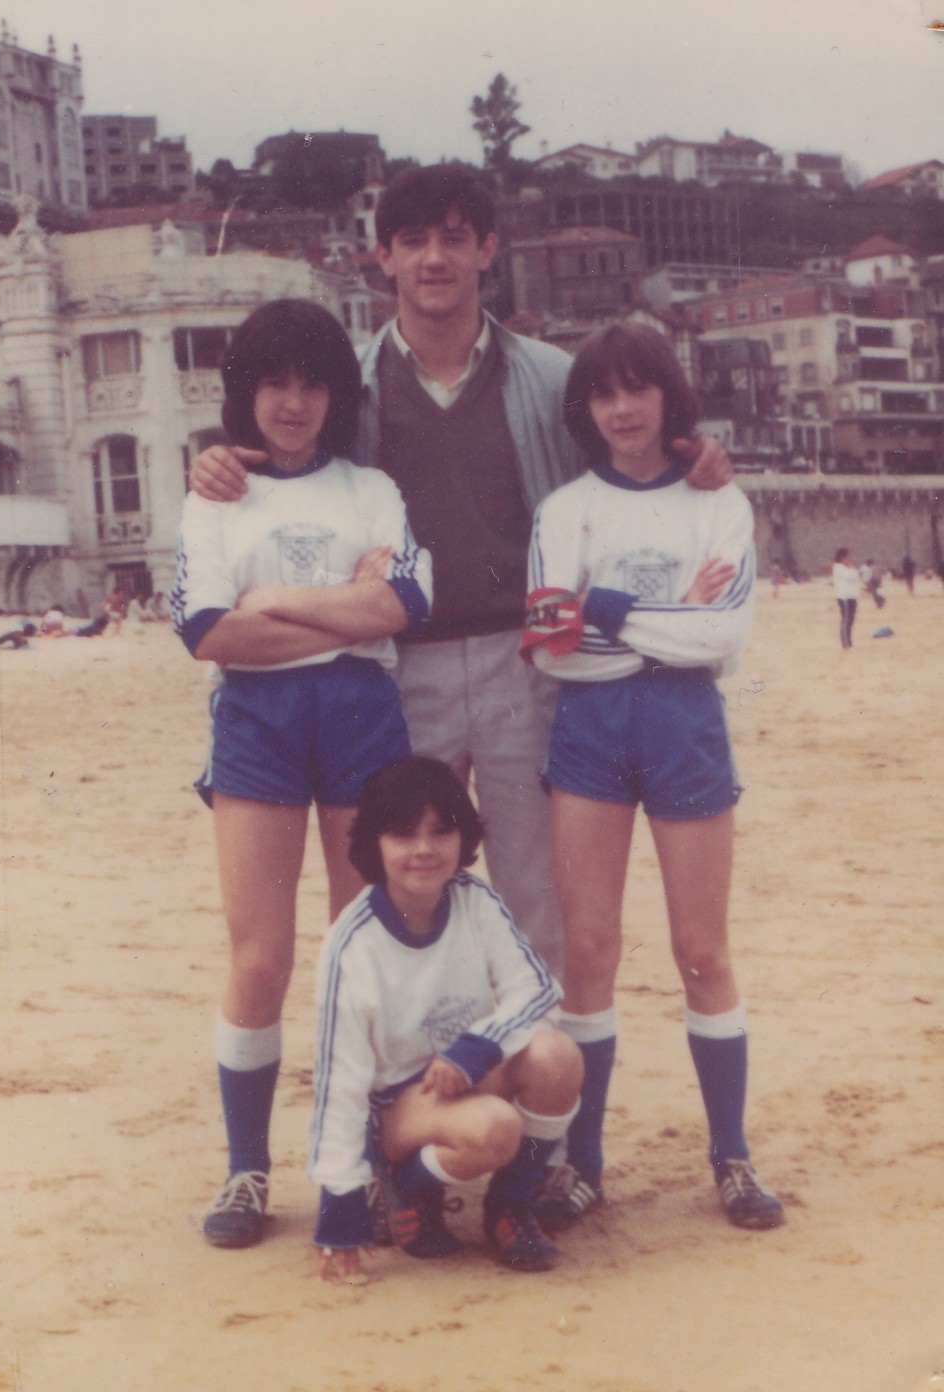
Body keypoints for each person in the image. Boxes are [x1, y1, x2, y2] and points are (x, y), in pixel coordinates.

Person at [189, 164, 734, 978]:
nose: (434, 258)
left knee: (532, 888)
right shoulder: (352, 386)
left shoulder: (552, 379)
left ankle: (533, 1074)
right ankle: (423, 1074)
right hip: (401, 666)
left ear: (488, 249)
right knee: (414, 881)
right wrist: (215, 462)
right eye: (413, 241)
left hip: (525, 661)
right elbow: (284, 466)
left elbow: (630, 461)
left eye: (454, 238)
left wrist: (700, 455)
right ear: (383, 257)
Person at [171, 299, 432, 1250]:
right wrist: (341, 605)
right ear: (248, 391)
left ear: (335, 393)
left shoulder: (372, 489)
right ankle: (246, 1171)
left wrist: (276, 599)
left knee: (357, 950)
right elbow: (208, 632)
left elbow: (403, 604)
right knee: (262, 956)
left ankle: (354, 1160)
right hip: (256, 723)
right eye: (274, 382)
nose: (292, 402)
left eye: (311, 382)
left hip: (363, 715)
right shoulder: (215, 492)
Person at [522, 322, 783, 1234]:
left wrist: (603, 604)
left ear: (669, 397)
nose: (623, 409)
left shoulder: (719, 502)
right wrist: (670, 614)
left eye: (639, 389)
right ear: (585, 410)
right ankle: (582, 1164)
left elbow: (723, 641)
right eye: (604, 394)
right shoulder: (564, 510)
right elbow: (554, 653)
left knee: (702, 951)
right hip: (587, 730)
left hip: (685, 724)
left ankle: (732, 1155)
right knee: (589, 954)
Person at [309, 755, 583, 1281]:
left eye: (441, 830)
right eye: (403, 834)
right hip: (396, 1108)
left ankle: (510, 1206)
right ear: (375, 843)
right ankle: (406, 1186)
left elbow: (536, 988)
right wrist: (339, 1202)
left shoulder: (475, 900)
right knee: (495, 1128)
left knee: (556, 1056)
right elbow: (336, 1081)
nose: (424, 850)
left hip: (465, 1070)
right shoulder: (353, 944)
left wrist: (478, 1046)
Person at [832, 548, 860, 649]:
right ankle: (845, 643)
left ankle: (849, 641)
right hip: (844, 597)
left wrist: (851, 568)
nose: (849, 558)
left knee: (851, 620)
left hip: (852, 596)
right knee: (846, 619)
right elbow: (851, 576)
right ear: (842, 557)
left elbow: (856, 576)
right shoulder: (838, 567)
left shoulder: (848, 568)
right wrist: (850, 568)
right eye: (847, 556)